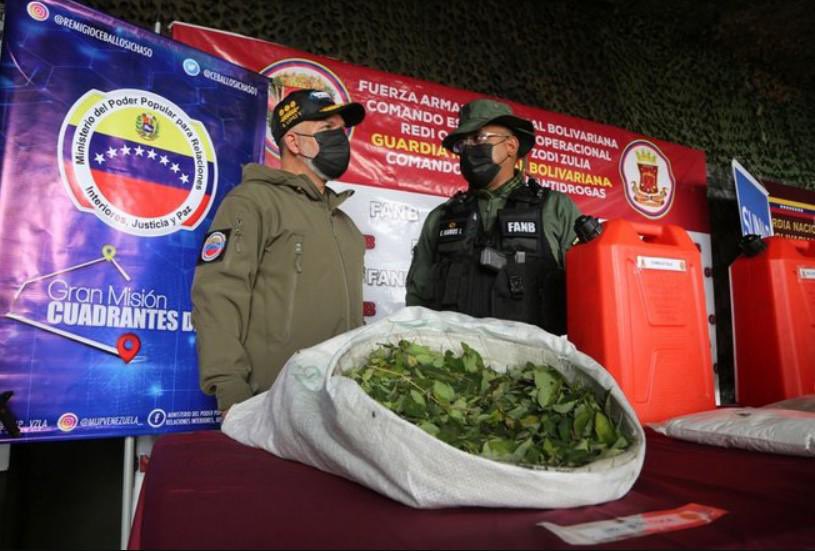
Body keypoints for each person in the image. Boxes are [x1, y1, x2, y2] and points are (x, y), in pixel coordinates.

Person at [192, 88, 366, 416]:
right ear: (294, 141)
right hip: (270, 405)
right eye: (327, 130)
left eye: (342, 131)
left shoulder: (346, 226)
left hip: (337, 407)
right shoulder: (252, 202)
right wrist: (230, 388)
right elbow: (217, 295)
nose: (340, 139)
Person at [405, 98, 581, 335]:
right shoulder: (442, 217)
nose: (469, 149)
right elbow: (417, 301)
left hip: (535, 366)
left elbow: (589, 293)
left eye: (478, 138)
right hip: (453, 364)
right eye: (462, 144)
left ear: (511, 146)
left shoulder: (555, 209)